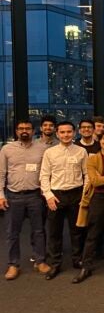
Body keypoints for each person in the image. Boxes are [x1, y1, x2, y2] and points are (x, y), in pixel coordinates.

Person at [0, 120, 52, 280]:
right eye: (21, 128)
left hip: (36, 195)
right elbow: (1, 173)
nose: (24, 131)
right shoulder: (7, 149)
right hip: (13, 196)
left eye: (27, 128)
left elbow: (47, 172)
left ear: (33, 131)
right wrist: (0, 195)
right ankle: (13, 264)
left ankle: (40, 260)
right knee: (12, 233)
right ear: (16, 131)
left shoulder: (43, 149)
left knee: (39, 231)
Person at [40, 121, 89, 280]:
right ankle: (55, 264)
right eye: (62, 132)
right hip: (56, 195)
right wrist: (48, 195)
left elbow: (87, 175)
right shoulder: (50, 153)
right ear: (57, 134)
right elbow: (44, 176)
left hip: (76, 194)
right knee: (55, 232)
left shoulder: (81, 151)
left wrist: (84, 196)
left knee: (77, 231)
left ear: (74, 133)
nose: (66, 135)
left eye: (69, 132)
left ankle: (77, 259)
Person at [72, 131, 104, 284]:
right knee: (93, 233)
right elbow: (95, 181)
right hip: (98, 198)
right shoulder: (92, 158)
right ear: (100, 141)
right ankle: (86, 266)